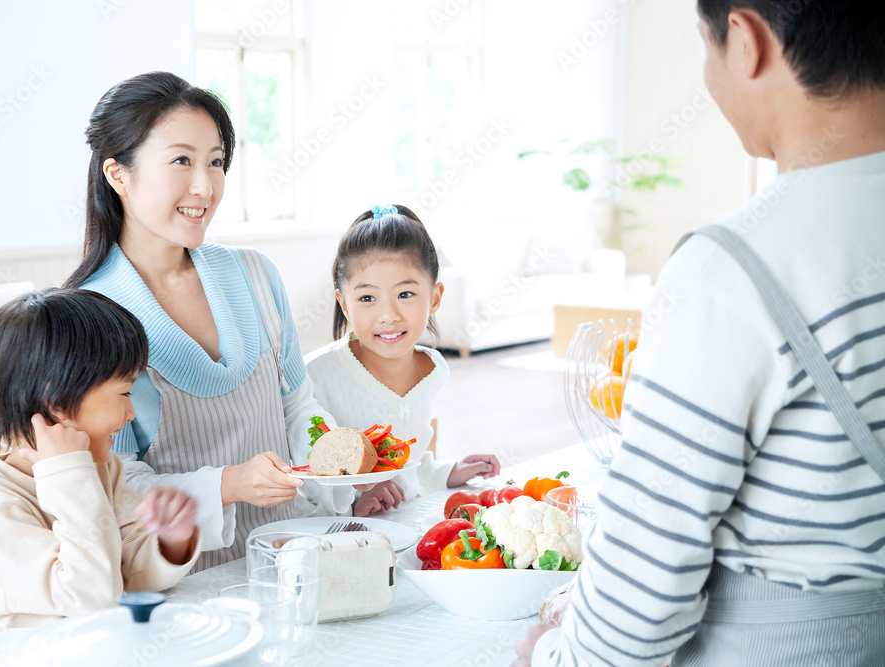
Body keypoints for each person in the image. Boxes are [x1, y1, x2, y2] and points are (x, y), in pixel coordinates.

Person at [518, 1, 885, 665]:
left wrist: (549, 653)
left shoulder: (733, 270)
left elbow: (639, 598)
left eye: (705, 46)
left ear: (745, 41)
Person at [63, 72, 352, 569]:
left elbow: (298, 406)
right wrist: (229, 485)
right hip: (180, 576)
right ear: (118, 175)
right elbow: (120, 483)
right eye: (181, 161)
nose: (205, 186)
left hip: (296, 550)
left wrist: (343, 477)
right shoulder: (90, 318)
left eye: (215, 162)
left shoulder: (256, 275)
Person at [0, 289, 201, 630]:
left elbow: (126, 574)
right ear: (57, 399)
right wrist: (69, 475)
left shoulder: (101, 467)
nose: (131, 413)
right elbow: (93, 603)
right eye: (125, 392)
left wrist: (171, 542)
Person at [305, 205, 501, 516]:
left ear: (434, 297)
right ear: (344, 303)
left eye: (405, 294)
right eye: (367, 298)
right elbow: (302, 483)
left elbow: (409, 462)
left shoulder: (433, 370)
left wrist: (445, 473)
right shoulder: (314, 376)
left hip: (404, 529)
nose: (389, 316)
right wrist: (358, 500)